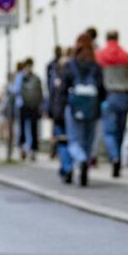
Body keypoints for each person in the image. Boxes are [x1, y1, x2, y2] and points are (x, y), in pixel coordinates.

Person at [62, 34, 106, 186]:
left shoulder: (70, 65)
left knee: (74, 139)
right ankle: (85, 165)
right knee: (88, 140)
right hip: (92, 108)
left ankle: (80, 160)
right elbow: (102, 90)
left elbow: (63, 88)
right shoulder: (96, 66)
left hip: (74, 107)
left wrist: (62, 106)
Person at [96, 30, 128, 178]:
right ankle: (117, 156)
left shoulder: (100, 55)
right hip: (124, 96)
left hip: (108, 96)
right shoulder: (126, 55)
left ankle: (114, 157)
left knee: (109, 131)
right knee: (120, 131)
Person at [49, 48, 73, 182]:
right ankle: (68, 166)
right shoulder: (72, 79)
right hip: (71, 113)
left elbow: (52, 97)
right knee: (70, 140)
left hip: (58, 114)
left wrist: (49, 112)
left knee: (62, 141)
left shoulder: (56, 79)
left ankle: (66, 167)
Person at [84, 27, 104, 168]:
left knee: (81, 131)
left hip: (80, 100)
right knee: (95, 130)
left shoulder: (78, 55)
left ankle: (84, 156)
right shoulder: (99, 53)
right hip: (94, 99)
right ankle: (92, 156)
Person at [19, 58, 44, 161]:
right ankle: (27, 148)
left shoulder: (25, 78)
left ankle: (28, 149)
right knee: (28, 128)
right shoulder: (31, 78)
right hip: (30, 106)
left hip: (28, 106)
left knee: (29, 128)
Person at [46, 46, 64, 159]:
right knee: (58, 130)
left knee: (56, 129)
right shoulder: (53, 67)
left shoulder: (51, 68)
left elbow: (50, 88)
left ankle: (54, 149)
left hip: (55, 105)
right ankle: (54, 149)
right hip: (59, 105)